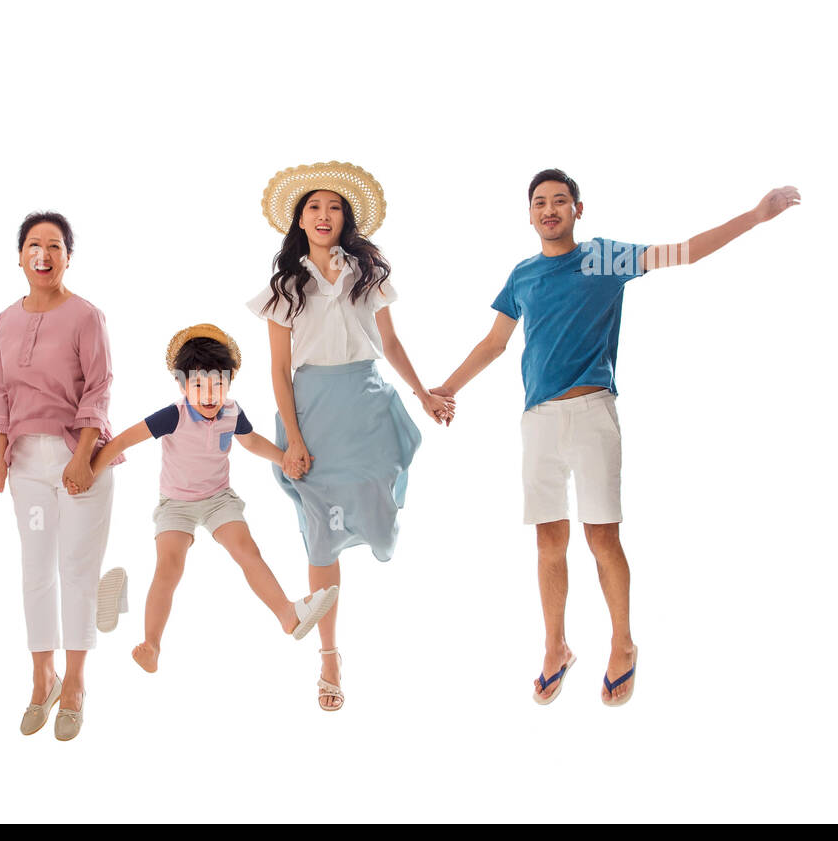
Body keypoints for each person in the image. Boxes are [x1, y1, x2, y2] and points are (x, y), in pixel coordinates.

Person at [431, 168, 801, 706]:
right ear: (529, 214)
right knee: (547, 540)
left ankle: (622, 643)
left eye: (561, 201)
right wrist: (448, 387)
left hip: (592, 410)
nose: (550, 209)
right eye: (540, 202)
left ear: (578, 209)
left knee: (601, 537)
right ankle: (555, 647)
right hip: (537, 419)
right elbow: (494, 343)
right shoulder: (523, 274)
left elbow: (685, 252)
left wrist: (756, 215)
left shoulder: (602, 257)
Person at [250, 162, 453, 712]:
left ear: (346, 218)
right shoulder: (284, 286)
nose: (323, 215)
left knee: (373, 507)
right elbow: (277, 370)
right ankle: (330, 654)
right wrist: (292, 439)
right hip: (312, 412)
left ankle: (367, 534)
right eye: (313, 207)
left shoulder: (369, 275)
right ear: (299, 218)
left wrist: (423, 393)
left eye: (334, 207)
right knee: (321, 533)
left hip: (364, 407)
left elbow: (390, 342)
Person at [90, 324, 340, 673]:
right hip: (175, 503)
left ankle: (287, 614)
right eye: (198, 385)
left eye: (218, 384)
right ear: (181, 385)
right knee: (169, 567)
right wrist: (91, 471)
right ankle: (151, 643)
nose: (209, 394)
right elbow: (122, 441)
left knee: (247, 550)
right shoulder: (172, 416)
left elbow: (251, 441)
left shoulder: (231, 412)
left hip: (218, 498)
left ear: (229, 382)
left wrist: (283, 458)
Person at [0, 211, 128, 741]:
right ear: (20, 254)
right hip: (25, 462)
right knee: (35, 570)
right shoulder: (4, 320)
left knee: (76, 572)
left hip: (81, 457)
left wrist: (84, 455)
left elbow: (100, 386)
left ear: (69, 256)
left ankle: (74, 683)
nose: (42, 254)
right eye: (32, 245)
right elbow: (0, 393)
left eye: (54, 246)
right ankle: (41, 675)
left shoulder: (86, 315)